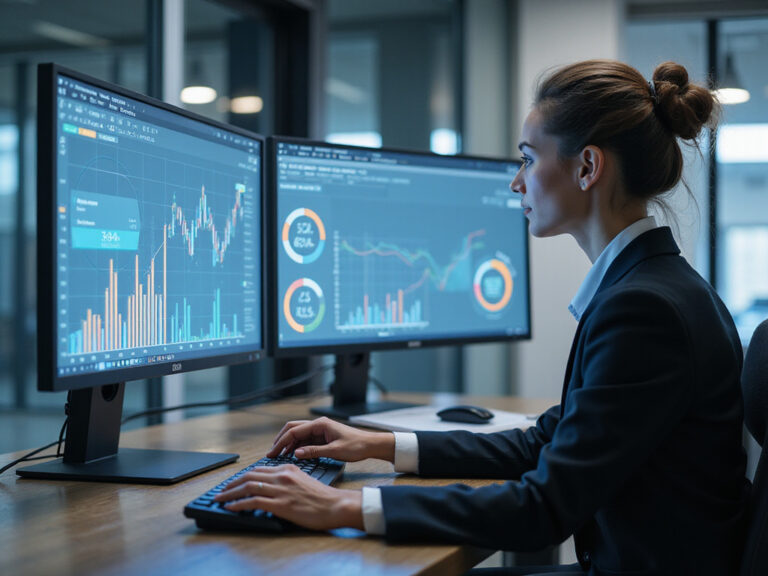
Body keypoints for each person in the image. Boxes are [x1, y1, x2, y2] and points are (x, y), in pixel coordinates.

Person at [214, 60, 749, 575]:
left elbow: (543, 509)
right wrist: (376, 444)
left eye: (527, 159)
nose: (517, 183)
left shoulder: (644, 309)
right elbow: (543, 444)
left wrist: (343, 507)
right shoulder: (650, 287)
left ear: (587, 167)